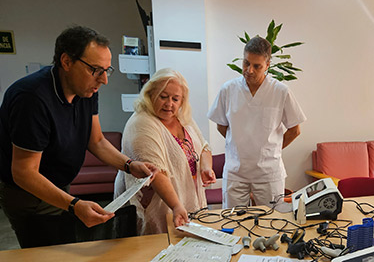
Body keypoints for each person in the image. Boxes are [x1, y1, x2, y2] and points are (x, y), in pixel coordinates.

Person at [0, 25, 155, 248]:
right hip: (28, 193)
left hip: (59, 182)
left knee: (68, 246)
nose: (104, 80)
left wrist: (130, 165)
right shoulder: (31, 98)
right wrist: (74, 205)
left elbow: (97, 141)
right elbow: (24, 173)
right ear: (66, 61)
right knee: (47, 255)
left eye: (107, 70)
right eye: (96, 70)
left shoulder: (86, 90)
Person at [208, 36, 306, 208]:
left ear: (267, 65)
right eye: (246, 63)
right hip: (235, 171)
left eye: (257, 66)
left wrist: (271, 148)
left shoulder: (280, 91)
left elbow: (295, 130)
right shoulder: (228, 90)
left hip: (268, 172)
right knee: (232, 222)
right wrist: (240, 145)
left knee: (272, 221)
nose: (249, 70)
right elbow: (221, 125)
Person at [115, 68, 216, 234]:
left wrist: (206, 167)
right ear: (150, 93)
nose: (169, 104)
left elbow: (203, 146)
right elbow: (155, 172)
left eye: (175, 99)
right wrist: (176, 205)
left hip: (188, 205)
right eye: (163, 97)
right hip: (161, 208)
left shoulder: (183, 118)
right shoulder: (141, 123)